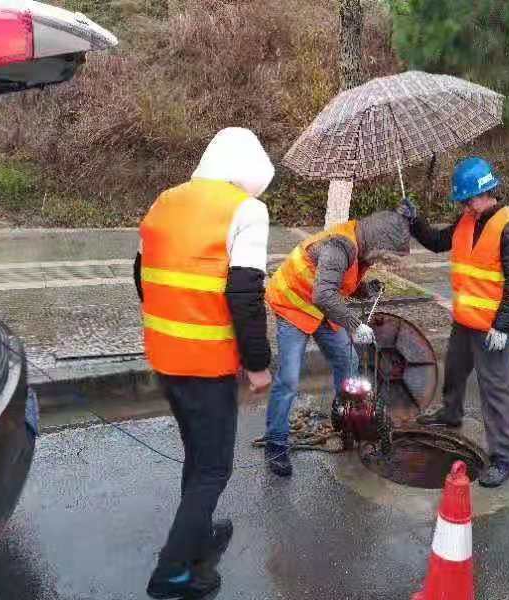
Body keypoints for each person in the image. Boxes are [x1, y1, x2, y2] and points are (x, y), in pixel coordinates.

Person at [135, 127, 274, 599]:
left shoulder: (165, 201)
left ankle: (197, 534)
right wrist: (258, 364)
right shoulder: (247, 210)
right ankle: (172, 574)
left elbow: (142, 272)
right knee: (214, 468)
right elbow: (244, 293)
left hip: (165, 356)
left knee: (198, 455)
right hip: (207, 364)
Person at [400, 157, 509, 489]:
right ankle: (451, 414)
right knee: (455, 372)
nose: (464, 206)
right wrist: (414, 221)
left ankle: (503, 458)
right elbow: (434, 242)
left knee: (494, 392)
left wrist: (503, 326)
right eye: (463, 202)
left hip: (490, 329)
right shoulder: (465, 222)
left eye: (466, 200)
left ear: (484, 193)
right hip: (464, 320)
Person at [263, 210, 411, 477]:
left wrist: (366, 289)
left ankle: (348, 422)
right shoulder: (338, 247)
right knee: (288, 379)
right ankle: (275, 444)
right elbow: (324, 293)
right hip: (293, 306)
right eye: (383, 257)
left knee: (348, 363)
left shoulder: (359, 249)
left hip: (322, 308)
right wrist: (356, 325)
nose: (380, 262)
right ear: (378, 244)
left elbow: (339, 280)